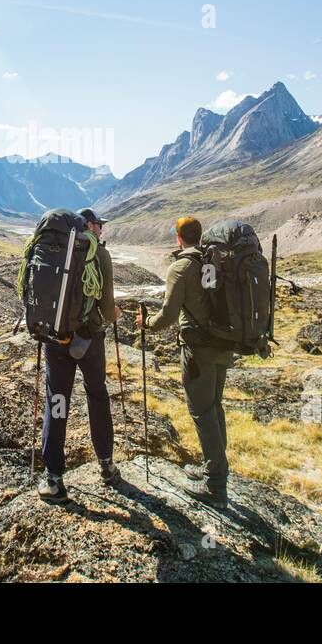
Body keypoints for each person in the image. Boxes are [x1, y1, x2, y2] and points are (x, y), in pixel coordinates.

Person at [135, 215, 230, 508]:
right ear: (200, 237)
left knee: (201, 412)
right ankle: (214, 467)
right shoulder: (212, 262)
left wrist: (146, 323)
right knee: (214, 407)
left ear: (178, 238)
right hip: (223, 346)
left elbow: (168, 316)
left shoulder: (181, 268)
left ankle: (216, 487)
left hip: (198, 351)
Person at [38, 208, 121, 500]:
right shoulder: (100, 254)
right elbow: (108, 310)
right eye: (98, 225)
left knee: (57, 399)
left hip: (56, 339)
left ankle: (54, 478)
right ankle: (107, 466)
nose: (101, 230)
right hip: (89, 340)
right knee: (96, 394)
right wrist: (114, 314)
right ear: (88, 224)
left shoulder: (51, 249)